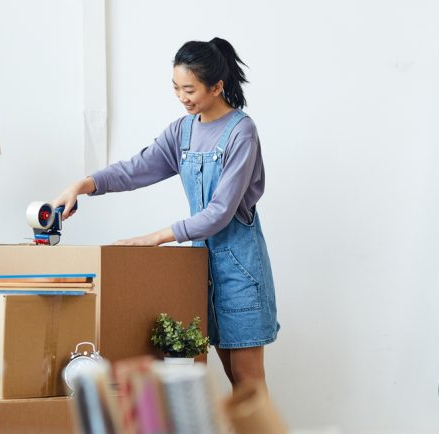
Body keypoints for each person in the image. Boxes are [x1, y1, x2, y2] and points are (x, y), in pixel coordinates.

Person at [52, 37, 279, 391]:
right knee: (221, 378)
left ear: (217, 86)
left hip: (240, 270)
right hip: (199, 270)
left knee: (247, 382)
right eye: (176, 89)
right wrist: (83, 185)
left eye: (190, 89)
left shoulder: (241, 132)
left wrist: (154, 238)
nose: (182, 98)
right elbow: (136, 169)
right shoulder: (182, 131)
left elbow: (220, 212)